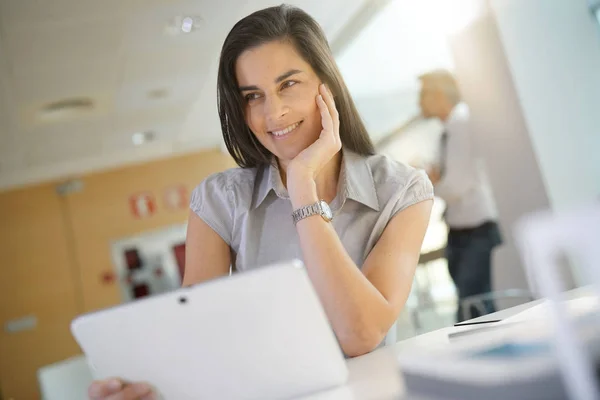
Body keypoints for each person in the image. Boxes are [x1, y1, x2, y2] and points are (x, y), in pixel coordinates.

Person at [88, 5, 433, 399]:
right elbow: (199, 341)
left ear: (327, 84)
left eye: (288, 84)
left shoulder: (403, 191)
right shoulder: (220, 200)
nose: (273, 113)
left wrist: (303, 190)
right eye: (253, 96)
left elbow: (361, 335)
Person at [417, 69, 502, 323]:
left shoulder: (461, 124)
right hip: (461, 231)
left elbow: (455, 186)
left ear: (440, 94)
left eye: (423, 95)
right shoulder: (447, 131)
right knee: (471, 308)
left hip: (476, 230)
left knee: (474, 310)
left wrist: (432, 182)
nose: (418, 102)